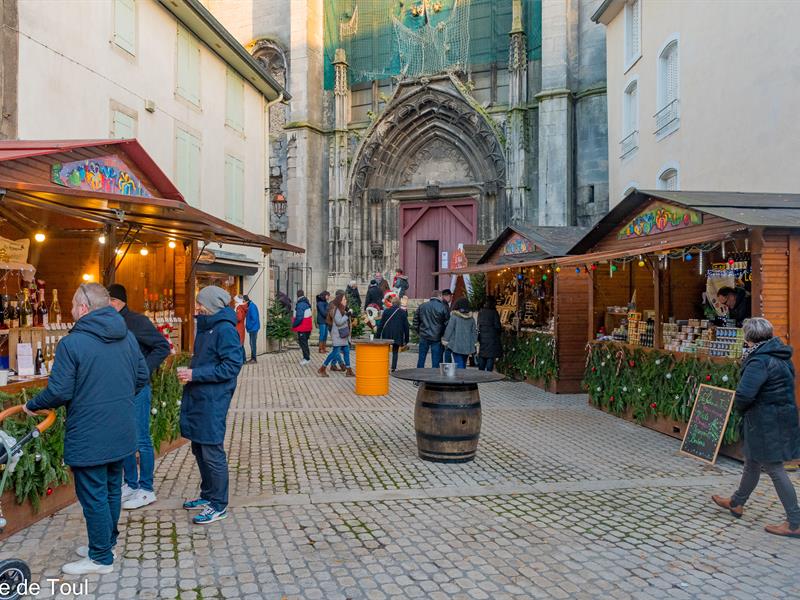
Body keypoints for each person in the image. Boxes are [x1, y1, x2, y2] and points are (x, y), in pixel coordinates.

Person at [25, 283, 149, 575]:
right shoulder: (126, 336)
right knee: (110, 490)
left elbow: (58, 391)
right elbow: (142, 376)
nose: (69, 310)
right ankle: (106, 544)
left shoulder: (73, 343)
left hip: (90, 432)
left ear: (83, 308)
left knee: (94, 494)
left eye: (71, 305)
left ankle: (100, 558)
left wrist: (33, 405)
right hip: (120, 427)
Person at [711, 317, 800, 538]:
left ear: (748, 337)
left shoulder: (759, 360)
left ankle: (795, 521)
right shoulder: (780, 355)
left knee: (774, 468)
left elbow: (744, 394)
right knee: (752, 461)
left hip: (765, 419)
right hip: (779, 415)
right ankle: (736, 502)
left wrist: (740, 409)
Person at [177, 286, 244, 525]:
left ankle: (218, 504)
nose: (197, 307)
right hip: (200, 396)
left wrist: (196, 374)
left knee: (211, 451)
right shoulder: (207, 326)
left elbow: (232, 365)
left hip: (213, 398)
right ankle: (208, 496)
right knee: (199, 447)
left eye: (200, 303)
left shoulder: (224, 330)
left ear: (213, 305)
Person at [107, 284, 171, 511]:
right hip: (119, 390)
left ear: (115, 302)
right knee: (124, 438)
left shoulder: (137, 321)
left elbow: (163, 346)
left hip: (138, 389)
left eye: (107, 302)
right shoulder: (110, 323)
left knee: (141, 439)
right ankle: (130, 483)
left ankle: (146, 489)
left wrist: (142, 370)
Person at [318, 291, 355, 377]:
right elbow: (339, 322)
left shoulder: (342, 309)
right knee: (334, 353)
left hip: (343, 335)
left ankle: (349, 370)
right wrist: (347, 314)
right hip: (338, 335)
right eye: (344, 299)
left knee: (346, 351)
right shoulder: (337, 310)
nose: (346, 301)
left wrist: (349, 314)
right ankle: (322, 368)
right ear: (340, 301)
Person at [412, 290, 449, 368]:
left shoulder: (422, 306)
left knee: (421, 359)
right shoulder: (443, 307)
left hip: (424, 335)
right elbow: (447, 323)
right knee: (435, 360)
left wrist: (418, 332)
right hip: (437, 337)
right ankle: (434, 378)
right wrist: (443, 335)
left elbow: (415, 320)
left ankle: (418, 378)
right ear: (439, 296)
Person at [442, 297, 478, 369]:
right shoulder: (471, 318)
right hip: (467, 345)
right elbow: (474, 331)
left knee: (459, 363)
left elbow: (449, 329)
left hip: (456, 345)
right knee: (463, 362)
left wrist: (445, 340)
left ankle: (461, 378)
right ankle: (463, 377)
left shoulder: (454, 317)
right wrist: (475, 342)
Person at [377, 296, 409, 372]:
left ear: (392, 303)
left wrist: (377, 336)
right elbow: (406, 327)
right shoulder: (402, 312)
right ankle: (393, 368)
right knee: (395, 351)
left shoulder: (386, 311)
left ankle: (385, 366)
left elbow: (381, 324)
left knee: (386, 351)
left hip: (387, 334)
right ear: (399, 304)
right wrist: (406, 339)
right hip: (397, 334)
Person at [477, 296, 503, 372]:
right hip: (492, 337)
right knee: (490, 356)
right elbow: (497, 326)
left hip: (482, 336)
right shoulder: (494, 312)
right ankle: (488, 373)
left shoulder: (481, 312)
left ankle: (481, 371)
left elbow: (479, 324)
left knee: (482, 354)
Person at [291, 290, 313, 365]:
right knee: (305, 342)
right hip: (307, 327)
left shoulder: (300, 304)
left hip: (302, 327)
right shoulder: (306, 302)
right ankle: (307, 357)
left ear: (297, 295)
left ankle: (306, 358)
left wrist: (294, 325)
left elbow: (299, 317)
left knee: (303, 343)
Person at [244, 295, 260, 363]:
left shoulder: (252, 307)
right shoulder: (250, 305)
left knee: (252, 343)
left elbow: (254, 318)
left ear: (245, 301)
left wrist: (248, 326)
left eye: (243, 302)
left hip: (253, 328)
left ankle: (254, 359)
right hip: (253, 328)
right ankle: (252, 358)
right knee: (251, 343)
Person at [441, 288, 454, 363]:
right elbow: (446, 321)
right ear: (446, 296)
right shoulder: (445, 306)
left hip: (442, 332)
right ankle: (447, 367)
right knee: (447, 351)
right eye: (450, 296)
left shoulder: (444, 305)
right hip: (445, 332)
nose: (451, 298)